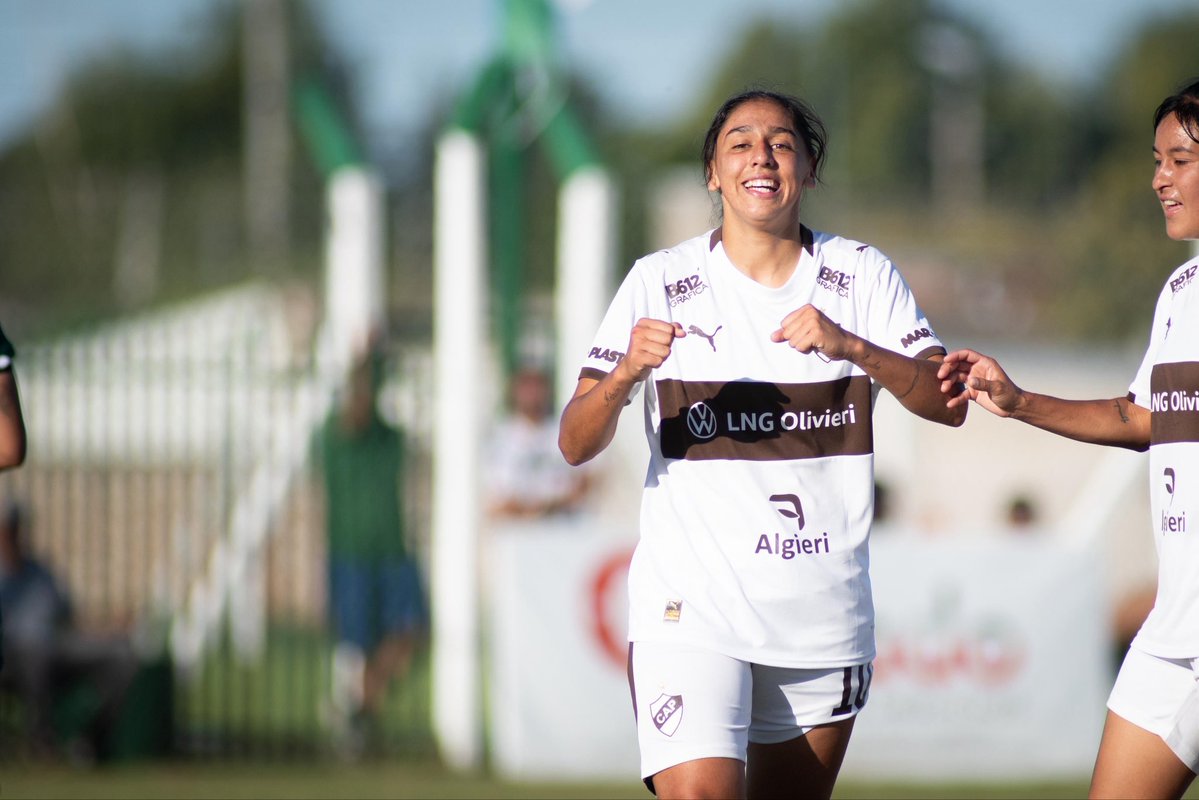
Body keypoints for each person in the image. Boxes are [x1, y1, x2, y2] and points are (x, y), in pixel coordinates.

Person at [559, 89, 966, 799]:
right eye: (740, 142)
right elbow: (573, 441)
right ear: (712, 174)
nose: (761, 156)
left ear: (807, 170)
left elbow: (946, 401)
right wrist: (626, 371)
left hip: (818, 614)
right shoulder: (657, 281)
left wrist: (850, 346)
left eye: (781, 143)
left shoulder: (862, 274)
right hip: (689, 611)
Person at [937, 78, 1199, 799]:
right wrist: (1017, 401)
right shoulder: (1181, 293)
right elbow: (1139, 418)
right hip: (1173, 637)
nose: (1159, 178)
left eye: (1179, 158)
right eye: (1156, 159)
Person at [315, 346, 426, 755]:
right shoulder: (334, 433)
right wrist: (363, 366)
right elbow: (352, 419)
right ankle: (362, 724)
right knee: (359, 645)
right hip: (351, 553)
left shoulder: (390, 435)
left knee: (412, 633)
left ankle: (358, 710)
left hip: (393, 551)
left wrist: (377, 358)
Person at [0, 503, 137, 762]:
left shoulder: (39, 573)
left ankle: (89, 742)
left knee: (122, 655)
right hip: (12, 657)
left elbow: (71, 620)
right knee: (34, 651)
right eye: (7, 529)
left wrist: (110, 627)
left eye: (15, 529)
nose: (12, 536)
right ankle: (41, 743)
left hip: (56, 650)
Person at [487, 365, 592, 520]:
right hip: (517, 529)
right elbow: (497, 496)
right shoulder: (500, 436)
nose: (533, 394)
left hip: (565, 524)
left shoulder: (562, 429)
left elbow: (586, 479)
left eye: (538, 386)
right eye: (526, 386)